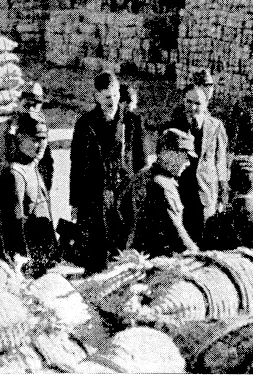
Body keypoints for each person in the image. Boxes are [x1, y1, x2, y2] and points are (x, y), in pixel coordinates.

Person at [69, 71, 148, 274]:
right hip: (94, 197)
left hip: (124, 194)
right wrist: (75, 203)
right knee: (95, 253)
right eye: (106, 97)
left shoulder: (132, 122)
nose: (111, 101)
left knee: (123, 249)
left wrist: (141, 196)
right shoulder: (84, 124)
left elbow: (142, 163)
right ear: (96, 96)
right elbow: (76, 165)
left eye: (114, 96)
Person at [0, 112, 58, 277]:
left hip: (42, 258)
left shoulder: (32, 166)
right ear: (19, 139)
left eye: (44, 139)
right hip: (27, 262)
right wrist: (21, 263)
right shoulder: (13, 174)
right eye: (35, 140)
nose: (41, 145)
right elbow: (12, 224)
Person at [165, 84, 229, 246]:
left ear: (206, 104)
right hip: (181, 195)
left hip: (207, 196)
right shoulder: (173, 127)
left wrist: (222, 196)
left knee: (205, 243)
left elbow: (221, 163)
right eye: (188, 102)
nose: (192, 107)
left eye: (198, 103)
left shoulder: (216, 126)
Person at [130, 128, 200, 257]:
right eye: (185, 156)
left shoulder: (143, 174)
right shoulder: (164, 185)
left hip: (137, 253)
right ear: (168, 153)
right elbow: (177, 231)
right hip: (158, 259)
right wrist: (197, 253)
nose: (187, 163)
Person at [0, 82, 53, 192]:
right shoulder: (5, 128)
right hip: (11, 185)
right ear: (20, 102)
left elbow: (46, 165)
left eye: (37, 104)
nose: (32, 109)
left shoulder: (40, 127)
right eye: (28, 105)